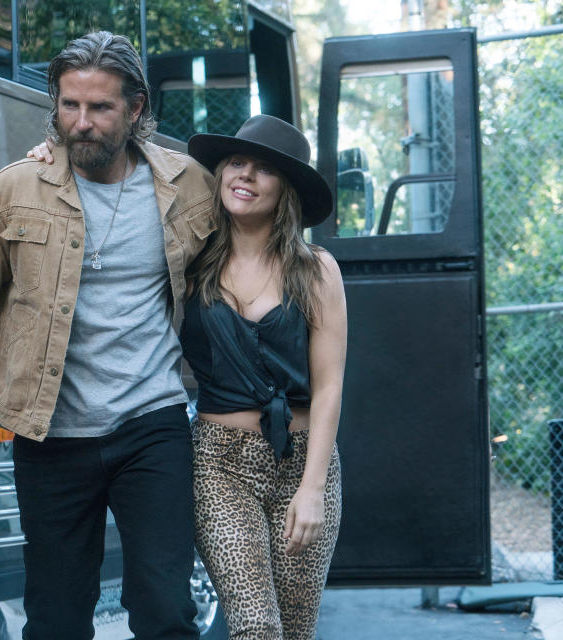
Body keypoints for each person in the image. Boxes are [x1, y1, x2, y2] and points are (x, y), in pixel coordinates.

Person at [0, 31, 215, 640]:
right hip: (49, 433)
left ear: (136, 109)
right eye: (68, 106)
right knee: (56, 620)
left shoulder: (188, 185)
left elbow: (250, 255)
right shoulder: (12, 190)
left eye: (99, 108)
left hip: (152, 426)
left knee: (167, 611)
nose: (80, 123)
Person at [180, 114, 346, 639]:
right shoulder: (190, 257)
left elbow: (329, 386)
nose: (244, 175)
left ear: (286, 189)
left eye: (264, 169)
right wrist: (51, 154)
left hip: (304, 463)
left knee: (295, 631)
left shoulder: (316, 268)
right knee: (255, 626)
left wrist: (313, 487)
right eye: (236, 162)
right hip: (219, 461)